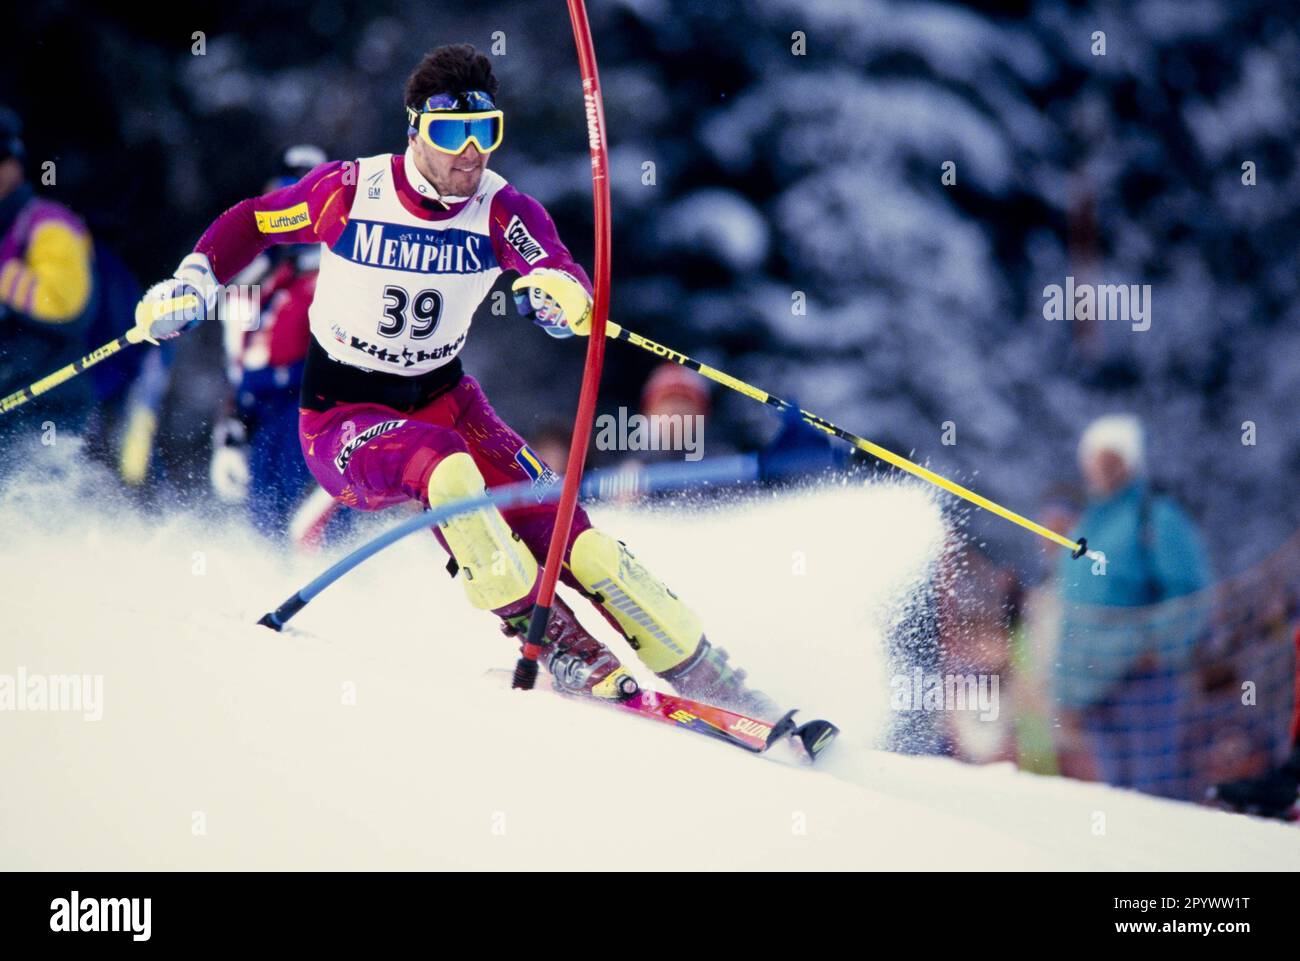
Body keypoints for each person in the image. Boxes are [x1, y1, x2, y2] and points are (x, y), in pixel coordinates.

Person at [131, 44, 776, 717]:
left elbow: (555, 269)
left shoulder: (502, 209)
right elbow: (253, 223)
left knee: (575, 538)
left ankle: (708, 670)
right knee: (445, 470)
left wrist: (560, 297)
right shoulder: (350, 192)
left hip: (446, 399)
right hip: (341, 416)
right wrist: (194, 279)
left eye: (485, 132)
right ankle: (558, 640)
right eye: (449, 134)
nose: (470, 153)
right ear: (415, 131)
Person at [1054, 414, 1211, 797]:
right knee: (1115, 794)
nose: (1104, 468)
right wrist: (1066, 686)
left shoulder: (1157, 517)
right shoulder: (1086, 524)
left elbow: (1189, 591)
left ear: (1132, 462)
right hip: (1093, 683)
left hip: (1144, 678)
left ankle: (1165, 856)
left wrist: (1158, 648)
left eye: (1114, 458)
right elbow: (1072, 606)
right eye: (1097, 458)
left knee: (1155, 789)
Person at [210, 145, 330, 538]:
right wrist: (231, 433)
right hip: (263, 419)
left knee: (311, 531)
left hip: (311, 417)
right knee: (265, 530)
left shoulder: (338, 271)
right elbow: (237, 365)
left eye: (308, 198)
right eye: (285, 193)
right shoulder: (255, 277)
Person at [0, 105, 96, 443]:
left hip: (44, 409)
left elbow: (62, 303)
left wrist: (5, 278)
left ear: (13, 164)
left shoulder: (46, 222)